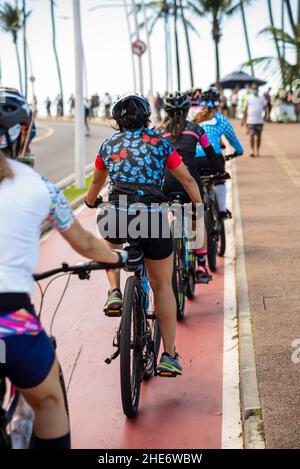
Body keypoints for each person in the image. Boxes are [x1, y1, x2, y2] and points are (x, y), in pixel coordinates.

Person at [0, 87, 126, 449]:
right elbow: (85, 243)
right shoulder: (42, 188)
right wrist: (115, 258)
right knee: (50, 401)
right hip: (10, 322)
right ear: (23, 133)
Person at [85, 94, 203, 377]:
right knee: (162, 286)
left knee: (110, 241)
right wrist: (197, 208)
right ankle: (169, 356)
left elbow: (96, 182)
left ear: (117, 121)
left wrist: (91, 202)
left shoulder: (108, 144)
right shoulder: (160, 142)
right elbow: (186, 179)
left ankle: (114, 292)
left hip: (117, 213)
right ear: (148, 117)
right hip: (152, 217)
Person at [157, 92, 226, 284]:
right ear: (188, 110)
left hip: (166, 183)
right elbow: (211, 153)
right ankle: (202, 265)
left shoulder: (157, 131)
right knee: (197, 218)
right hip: (189, 181)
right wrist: (220, 172)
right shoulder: (196, 129)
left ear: (167, 111)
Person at [194, 88, 243, 219]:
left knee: (194, 182)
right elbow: (232, 138)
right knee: (220, 180)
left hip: (195, 160)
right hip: (213, 158)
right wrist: (239, 151)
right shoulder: (221, 119)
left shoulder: (195, 119)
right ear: (218, 103)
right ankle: (221, 211)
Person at [243, 83, 266, 157]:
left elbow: (265, 108)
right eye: (253, 89)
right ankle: (252, 151)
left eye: (255, 88)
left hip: (259, 121)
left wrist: (267, 115)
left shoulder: (262, 98)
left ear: (258, 89)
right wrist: (244, 120)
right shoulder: (249, 98)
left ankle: (258, 150)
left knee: (259, 137)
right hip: (251, 121)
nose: (254, 90)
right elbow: (246, 109)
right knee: (251, 135)